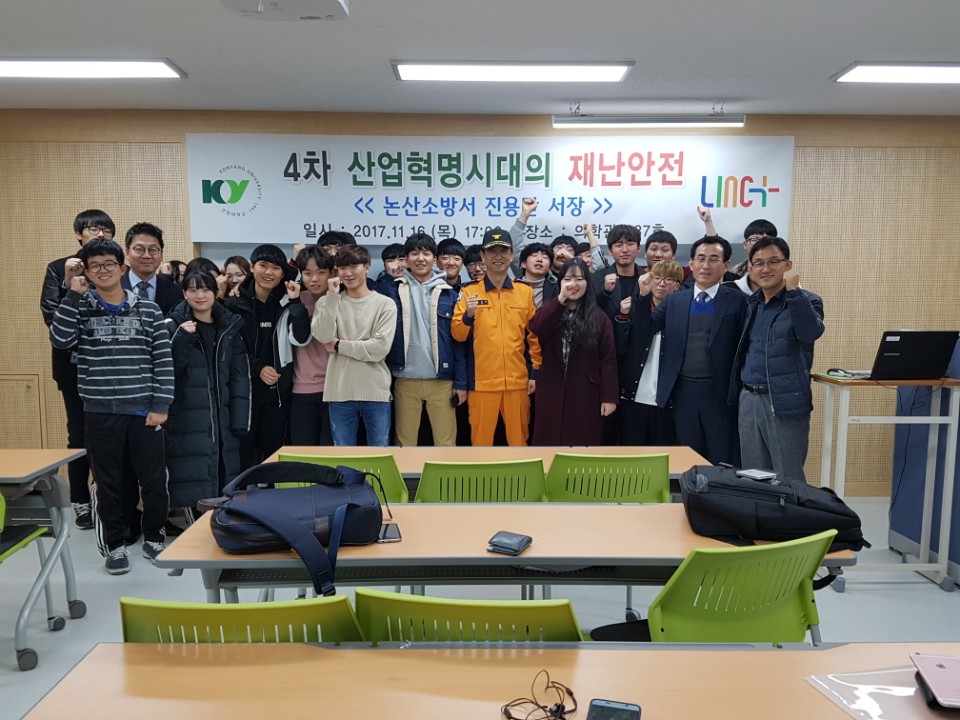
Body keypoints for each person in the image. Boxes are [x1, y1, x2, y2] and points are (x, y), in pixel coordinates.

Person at [49, 238, 173, 574]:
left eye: (108, 264)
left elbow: (162, 361)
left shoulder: (149, 310)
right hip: (100, 411)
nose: (102, 270)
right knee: (107, 485)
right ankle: (114, 546)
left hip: (144, 412)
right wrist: (72, 294)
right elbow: (60, 339)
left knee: (154, 481)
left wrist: (161, 404)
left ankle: (154, 537)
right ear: (87, 272)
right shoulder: (80, 307)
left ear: (122, 268)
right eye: (95, 266)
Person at [40, 209, 115, 530]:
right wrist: (68, 285)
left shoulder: (113, 268)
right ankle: (80, 500)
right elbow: (51, 316)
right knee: (79, 434)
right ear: (78, 234)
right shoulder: (60, 268)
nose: (100, 234)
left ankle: (106, 498)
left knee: (110, 434)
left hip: (110, 366)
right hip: (72, 367)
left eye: (105, 229)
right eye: (93, 229)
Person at [732, 237, 824, 486]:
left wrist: (794, 294)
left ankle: (791, 514)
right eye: (759, 263)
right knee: (753, 475)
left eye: (773, 261)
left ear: (788, 265)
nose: (766, 269)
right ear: (751, 268)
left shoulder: (807, 300)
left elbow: (810, 333)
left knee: (788, 476)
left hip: (783, 400)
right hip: (748, 399)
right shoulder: (751, 304)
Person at [651, 236, 747, 465]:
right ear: (691, 264)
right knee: (687, 458)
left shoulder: (739, 301)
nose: (706, 265)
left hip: (720, 393)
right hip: (683, 391)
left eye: (713, 259)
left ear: (726, 265)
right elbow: (647, 328)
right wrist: (641, 297)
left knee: (722, 457)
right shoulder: (675, 301)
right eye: (701, 259)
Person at [165, 270, 250, 519]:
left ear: (215, 292)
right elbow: (166, 371)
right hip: (188, 418)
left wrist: (240, 419)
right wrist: (181, 339)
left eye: (205, 289)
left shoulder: (229, 326)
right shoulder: (173, 326)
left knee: (225, 476)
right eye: (193, 290)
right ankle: (197, 529)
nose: (199, 295)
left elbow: (239, 376)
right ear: (184, 293)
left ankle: (219, 527)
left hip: (224, 418)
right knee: (193, 478)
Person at [452, 228, 541, 446]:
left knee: (519, 443)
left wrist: (535, 372)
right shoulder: (469, 291)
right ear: (483, 256)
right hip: (482, 383)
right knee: (481, 444)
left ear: (512, 255)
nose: (498, 256)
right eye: (492, 251)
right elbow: (458, 335)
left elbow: (534, 337)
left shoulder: (524, 291)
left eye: (503, 251)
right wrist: (468, 315)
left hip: (517, 382)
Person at [376, 232, 467, 446]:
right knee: (404, 444)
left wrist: (461, 383)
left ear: (434, 259)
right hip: (405, 379)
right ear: (406, 260)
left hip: (442, 381)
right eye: (414, 254)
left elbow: (458, 343)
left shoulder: (450, 295)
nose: (420, 258)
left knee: (446, 444)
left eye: (426, 253)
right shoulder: (390, 292)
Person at [225, 244, 309, 467]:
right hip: (244, 394)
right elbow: (230, 348)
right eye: (263, 265)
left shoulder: (285, 302)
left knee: (274, 455)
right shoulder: (233, 305)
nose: (269, 272)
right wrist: (258, 368)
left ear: (282, 274)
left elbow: (301, 338)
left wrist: (296, 303)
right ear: (252, 267)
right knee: (243, 455)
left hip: (278, 393)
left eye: (276, 268)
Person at [311, 245, 397, 446]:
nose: (347, 273)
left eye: (353, 266)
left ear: (367, 267)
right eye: (342, 268)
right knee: (343, 456)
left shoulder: (385, 304)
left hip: (376, 392)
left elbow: (379, 349)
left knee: (379, 454)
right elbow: (323, 336)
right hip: (339, 392)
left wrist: (339, 346)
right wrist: (332, 297)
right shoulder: (326, 302)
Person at [529, 259, 618, 445]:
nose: (573, 284)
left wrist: (609, 398)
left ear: (588, 282)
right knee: (548, 440)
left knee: (582, 442)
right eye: (567, 279)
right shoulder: (550, 310)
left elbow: (608, 361)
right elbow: (538, 328)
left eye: (579, 279)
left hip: (586, 392)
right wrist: (560, 299)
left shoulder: (599, 318)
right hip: (551, 391)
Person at [614, 260, 684, 445]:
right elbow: (621, 347)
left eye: (669, 279)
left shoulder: (682, 314)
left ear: (677, 286)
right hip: (632, 396)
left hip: (665, 401)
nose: (661, 283)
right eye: (657, 278)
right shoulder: (635, 307)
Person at [289, 246, 335, 445]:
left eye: (321, 272)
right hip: (302, 389)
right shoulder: (294, 300)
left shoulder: (341, 300)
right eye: (307, 273)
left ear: (331, 273)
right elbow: (299, 338)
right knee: (303, 451)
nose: (314, 279)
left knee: (331, 452)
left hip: (335, 390)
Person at [120, 223, 184, 315]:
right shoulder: (114, 287)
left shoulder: (175, 291)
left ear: (161, 254)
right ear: (127, 253)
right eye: (139, 249)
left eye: (153, 250)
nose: (147, 255)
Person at [594, 224, 643, 319]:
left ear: (638, 248)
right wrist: (605, 292)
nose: (625, 250)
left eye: (630, 244)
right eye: (619, 245)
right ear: (610, 251)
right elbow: (592, 312)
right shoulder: (596, 279)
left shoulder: (647, 279)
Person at [517, 242, 558, 308]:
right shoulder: (511, 287)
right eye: (534, 255)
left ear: (549, 268)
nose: (539, 259)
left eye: (545, 257)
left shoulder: (557, 289)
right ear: (523, 264)